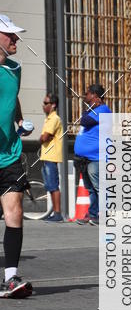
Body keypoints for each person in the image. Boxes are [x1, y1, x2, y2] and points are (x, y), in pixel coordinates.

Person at [0, 14, 33, 298]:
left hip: (9, 154)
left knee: (15, 213)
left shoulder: (15, 68)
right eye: (10, 35)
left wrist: (19, 121)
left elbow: (13, 97)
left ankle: (11, 278)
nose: (16, 40)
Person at [73, 84, 111, 226]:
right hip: (85, 158)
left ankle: (102, 215)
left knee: (99, 187)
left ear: (95, 96)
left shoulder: (103, 110)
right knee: (91, 188)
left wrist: (86, 112)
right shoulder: (93, 110)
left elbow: (85, 120)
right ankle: (92, 214)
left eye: (87, 94)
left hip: (96, 157)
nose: (85, 96)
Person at [39, 92, 64, 222]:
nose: (43, 106)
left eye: (46, 103)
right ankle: (55, 212)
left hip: (51, 156)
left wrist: (42, 138)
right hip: (47, 156)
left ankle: (58, 213)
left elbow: (44, 137)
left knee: (53, 186)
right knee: (50, 185)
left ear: (53, 105)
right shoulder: (49, 118)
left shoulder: (54, 119)